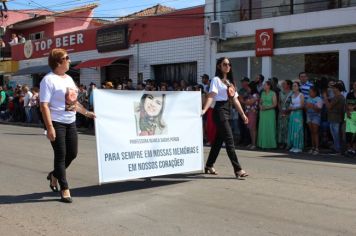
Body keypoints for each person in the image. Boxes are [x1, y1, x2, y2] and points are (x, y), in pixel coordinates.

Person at [40, 48, 95, 203]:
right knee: (60, 155)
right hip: (56, 122)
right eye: (67, 57)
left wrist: (86, 113)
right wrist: (49, 127)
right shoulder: (48, 80)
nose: (69, 60)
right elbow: (43, 105)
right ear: (59, 62)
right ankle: (64, 188)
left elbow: (73, 102)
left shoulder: (69, 79)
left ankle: (54, 174)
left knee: (72, 154)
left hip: (71, 122)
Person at [202, 57, 249, 178]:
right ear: (219, 66)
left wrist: (243, 114)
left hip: (228, 110)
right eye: (224, 64)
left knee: (218, 141)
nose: (227, 66)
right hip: (219, 111)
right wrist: (204, 109)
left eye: (229, 64)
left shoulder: (230, 82)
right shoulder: (216, 80)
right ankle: (238, 169)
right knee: (229, 139)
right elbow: (211, 96)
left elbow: (235, 100)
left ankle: (209, 165)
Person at [323, 83, 345, 154]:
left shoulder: (338, 97)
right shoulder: (338, 97)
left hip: (335, 118)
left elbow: (329, 106)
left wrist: (325, 98)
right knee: (334, 134)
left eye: (334, 88)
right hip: (334, 118)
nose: (332, 89)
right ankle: (336, 148)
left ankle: (337, 149)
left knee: (336, 134)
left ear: (337, 89)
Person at [257, 81, 277, 149]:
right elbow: (260, 102)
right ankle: (262, 144)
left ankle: (270, 145)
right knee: (263, 127)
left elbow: (275, 104)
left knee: (270, 127)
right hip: (263, 112)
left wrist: (267, 108)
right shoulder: (262, 93)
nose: (264, 86)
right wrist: (260, 106)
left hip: (270, 112)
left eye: (265, 85)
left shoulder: (273, 93)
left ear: (269, 86)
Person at [305, 87, 323, 155]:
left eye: (310, 91)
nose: (309, 93)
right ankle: (312, 147)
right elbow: (305, 108)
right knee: (311, 132)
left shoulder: (319, 99)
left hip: (316, 116)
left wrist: (312, 106)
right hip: (309, 115)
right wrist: (306, 107)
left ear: (315, 92)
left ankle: (317, 148)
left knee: (315, 132)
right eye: (309, 91)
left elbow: (319, 110)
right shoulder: (308, 98)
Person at [288, 82, 305, 153]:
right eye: (293, 86)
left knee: (298, 130)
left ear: (298, 87)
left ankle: (299, 146)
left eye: (295, 86)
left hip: (298, 114)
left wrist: (294, 108)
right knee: (292, 129)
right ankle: (294, 146)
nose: (294, 87)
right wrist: (290, 108)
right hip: (292, 114)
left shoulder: (301, 95)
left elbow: (302, 105)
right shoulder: (292, 95)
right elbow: (290, 104)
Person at [277, 80, 293, 149]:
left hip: (288, 112)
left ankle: (287, 143)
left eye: (284, 84)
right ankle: (281, 142)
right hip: (281, 112)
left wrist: (288, 110)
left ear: (288, 85)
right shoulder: (280, 93)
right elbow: (279, 102)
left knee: (287, 128)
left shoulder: (292, 93)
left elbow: (293, 102)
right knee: (281, 127)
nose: (283, 85)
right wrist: (280, 109)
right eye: (282, 84)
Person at [244, 82, 259, 149]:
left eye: (249, 87)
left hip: (253, 112)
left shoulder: (255, 95)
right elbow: (247, 102)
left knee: (253, 128)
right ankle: (252, 143)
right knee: (250, 128)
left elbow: (250, 102)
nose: (247, 89)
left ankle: (254, 144)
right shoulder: (249, 94)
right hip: (248, 112)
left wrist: (243, 101)